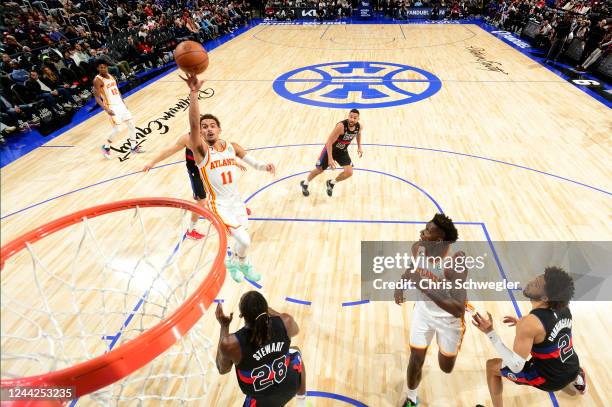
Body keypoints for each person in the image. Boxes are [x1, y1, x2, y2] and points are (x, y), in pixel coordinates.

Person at [181, 72, 275, 282]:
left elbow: (254, 163)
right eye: (204, 127)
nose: (208, 128)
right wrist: (194, 93)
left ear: (219, 129)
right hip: (219, 205)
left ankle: (232, 260)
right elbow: (194, 124)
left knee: (242, 240)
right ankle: (242, 263)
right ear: (201, 134)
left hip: (237, 202)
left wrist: (265, 166)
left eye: (212, 125)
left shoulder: (232, 147)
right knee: (246, 240)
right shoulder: (201, 151)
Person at [472, 267, 586, 407]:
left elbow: (515, 366)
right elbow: (550, 328)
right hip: (572, 366)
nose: (530, 282)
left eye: (537, 284)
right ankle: (578, 380)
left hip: (549, 379)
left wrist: (490, 332)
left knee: (491, 366)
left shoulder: (530, 324)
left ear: (545, 298)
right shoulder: (563, 307)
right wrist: (524, 324)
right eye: (537, 278)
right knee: (560, 354)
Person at [393, 213, 467, 407]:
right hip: (423, 314)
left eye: (427, 231)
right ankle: (411, 399)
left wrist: (423, 285)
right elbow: (413, 268)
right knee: (416, 359)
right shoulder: (418, 248)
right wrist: (400, 284)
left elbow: (458, 309)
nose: (422, 232)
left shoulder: (455, 263)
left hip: (449, 321)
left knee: (446, 368)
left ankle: (449, 347)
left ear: (439, 239)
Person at [143, 133, 249, 240]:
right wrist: (152, 162)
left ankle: (236, 209)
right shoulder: (187, 138)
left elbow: (219, 151)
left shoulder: (209, 135)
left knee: (225, 185)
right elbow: (170, 150)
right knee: (201, 202)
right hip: (196, 173)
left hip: (209, 169)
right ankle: (190, 231)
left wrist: (234, 162)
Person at [215, 291, 307, 407]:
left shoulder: (231, 344)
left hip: (260, 402)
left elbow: (222, 369)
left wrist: (224, 326)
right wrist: (264, 309)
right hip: (289, 387)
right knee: (296, 351)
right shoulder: (286, 322)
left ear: (242, 315)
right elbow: (296, 330)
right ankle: (302, 402)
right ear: (266, 308)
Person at [300, 109, 363, 197]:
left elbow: (358, 134)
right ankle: (305, 183)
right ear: (348, 116)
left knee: (349, 172)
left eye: (354, 118)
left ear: (358, 119)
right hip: (330, 149)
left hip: (342, 151)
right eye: (350, 117)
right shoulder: (341, 126)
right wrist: (330, 158)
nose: (352, 119)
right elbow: (329, 142)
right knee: (320, 170)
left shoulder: (359, 127)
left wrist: (359, 146)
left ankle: (331, 183)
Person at [93, 59, 143, 159]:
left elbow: (117, 91)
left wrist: (123, 103)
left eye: (104, 67)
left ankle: (133, 147)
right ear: (97, 68)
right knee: (117, 129)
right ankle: (106, 146)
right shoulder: (97, 80)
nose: (103, 69)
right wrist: (106, 109)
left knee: (131, 125)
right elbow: (97, 97)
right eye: (101, 67)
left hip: (120, 105)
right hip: (112, 106)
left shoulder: (111, 76)